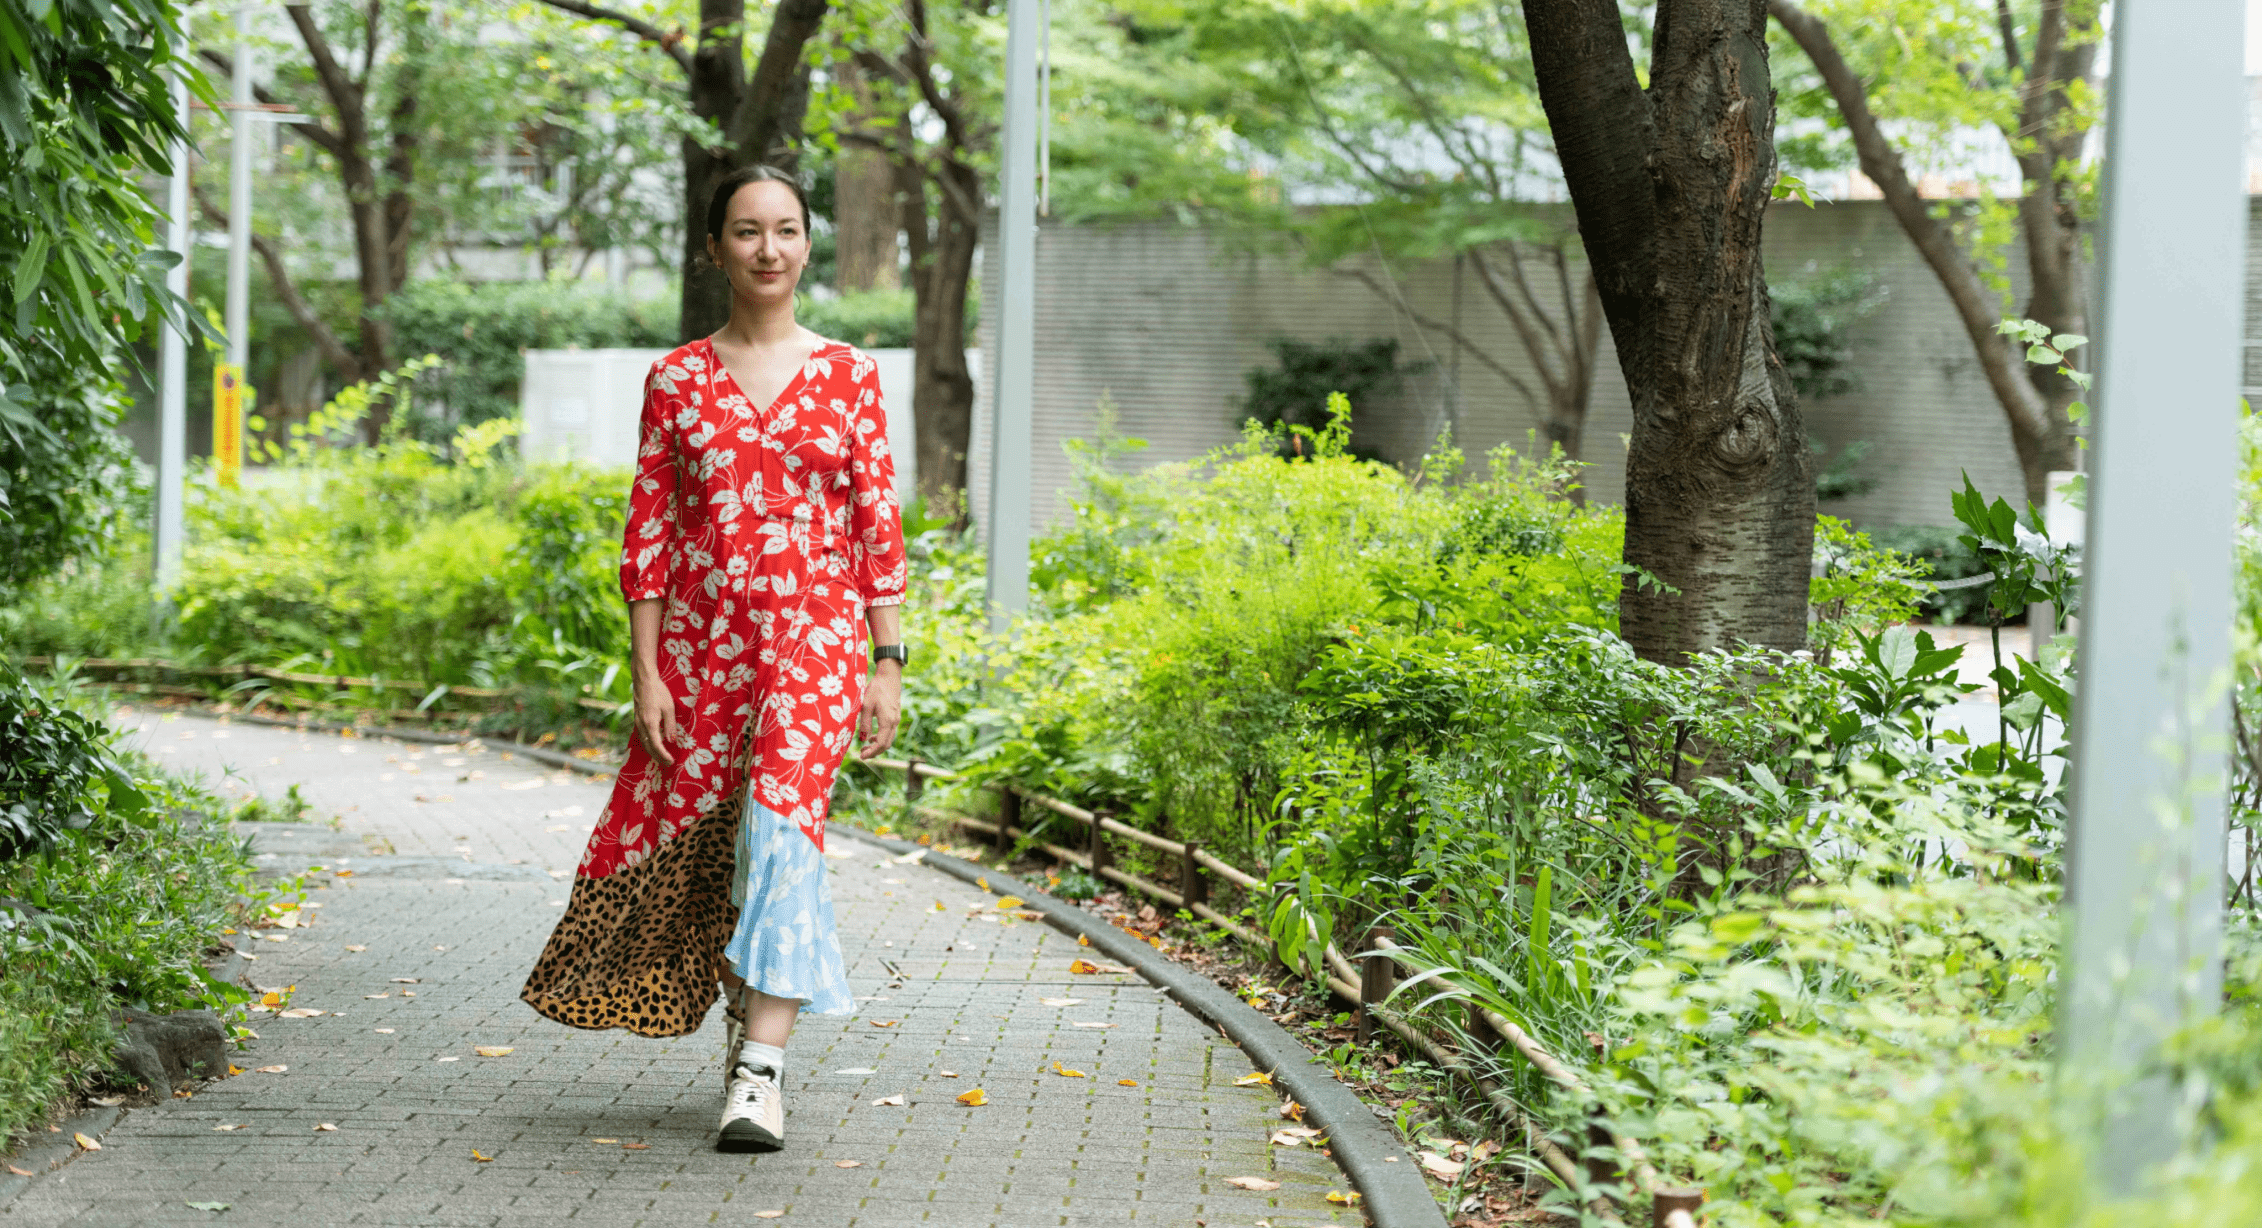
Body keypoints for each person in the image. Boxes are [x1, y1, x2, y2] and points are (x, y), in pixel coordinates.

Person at [520, 164, 909, 1153]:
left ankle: (760, 1074)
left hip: (816, 647)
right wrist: (648, 670)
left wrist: (885, 659)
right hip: (701, 651)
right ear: (714, 248)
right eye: (746, 231)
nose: (768, 249)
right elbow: (648, 534)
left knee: (781, 834)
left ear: (809, 243)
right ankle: (750, 1008)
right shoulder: (677, 379)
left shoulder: (850, 374)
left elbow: (876, 529)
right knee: (719, 848)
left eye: (786, 229)